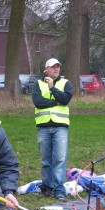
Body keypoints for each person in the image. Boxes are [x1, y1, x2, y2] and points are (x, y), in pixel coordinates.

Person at [32, 58, 73, 201]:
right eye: (53, 67)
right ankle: (47, 188)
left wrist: (52, 89)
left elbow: (65, 99)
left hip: (60, 127)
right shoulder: (37, 84)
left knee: (60, 159)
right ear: (46, 69)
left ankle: (59, 189)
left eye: (58, 67)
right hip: (43, 126)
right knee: (45, 160)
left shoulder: (65, 83)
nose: (56, 69)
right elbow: (38, 102)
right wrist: (55, 102)